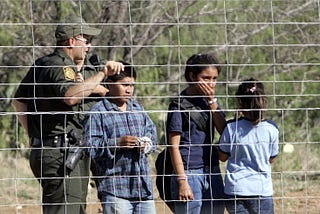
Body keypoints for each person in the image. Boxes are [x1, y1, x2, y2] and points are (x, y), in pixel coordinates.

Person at [12, 15, 124, 214]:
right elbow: (71, 97)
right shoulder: (58, 65)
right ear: (72, 41)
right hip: (61, 152)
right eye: (86, 40)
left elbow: (19, 100)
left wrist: (34, 135)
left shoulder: (42, 63)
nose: (89, 46)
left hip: (59, 149)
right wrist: (101, 76)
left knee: (69, 208)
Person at [84, 62, 157, 214]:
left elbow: (152, 134)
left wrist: (146, 143)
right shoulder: (98, 112)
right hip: (115, 189)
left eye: (132, 85)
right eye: (124, 85)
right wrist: (116, 144)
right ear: (110, 84)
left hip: (142, 188)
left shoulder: (137, 108)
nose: (129, 90)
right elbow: (90, 147)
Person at [166, 53, 226, 214]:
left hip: (212, 169)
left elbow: (224, 132)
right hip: (189, 172)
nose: (211, 83)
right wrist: (182, 181)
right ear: (192, 76)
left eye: (214, 79)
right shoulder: (179, 105)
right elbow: (173, 146)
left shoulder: (211, 101)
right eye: (206, 78)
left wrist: (212, 102)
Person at [218, 78, 279, 214]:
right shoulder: (272, 128)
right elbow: (272, 158)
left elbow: (222, 157)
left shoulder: (231, 127)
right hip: (262, 191)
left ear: (240, 103)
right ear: (263, 101)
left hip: (235, 190)